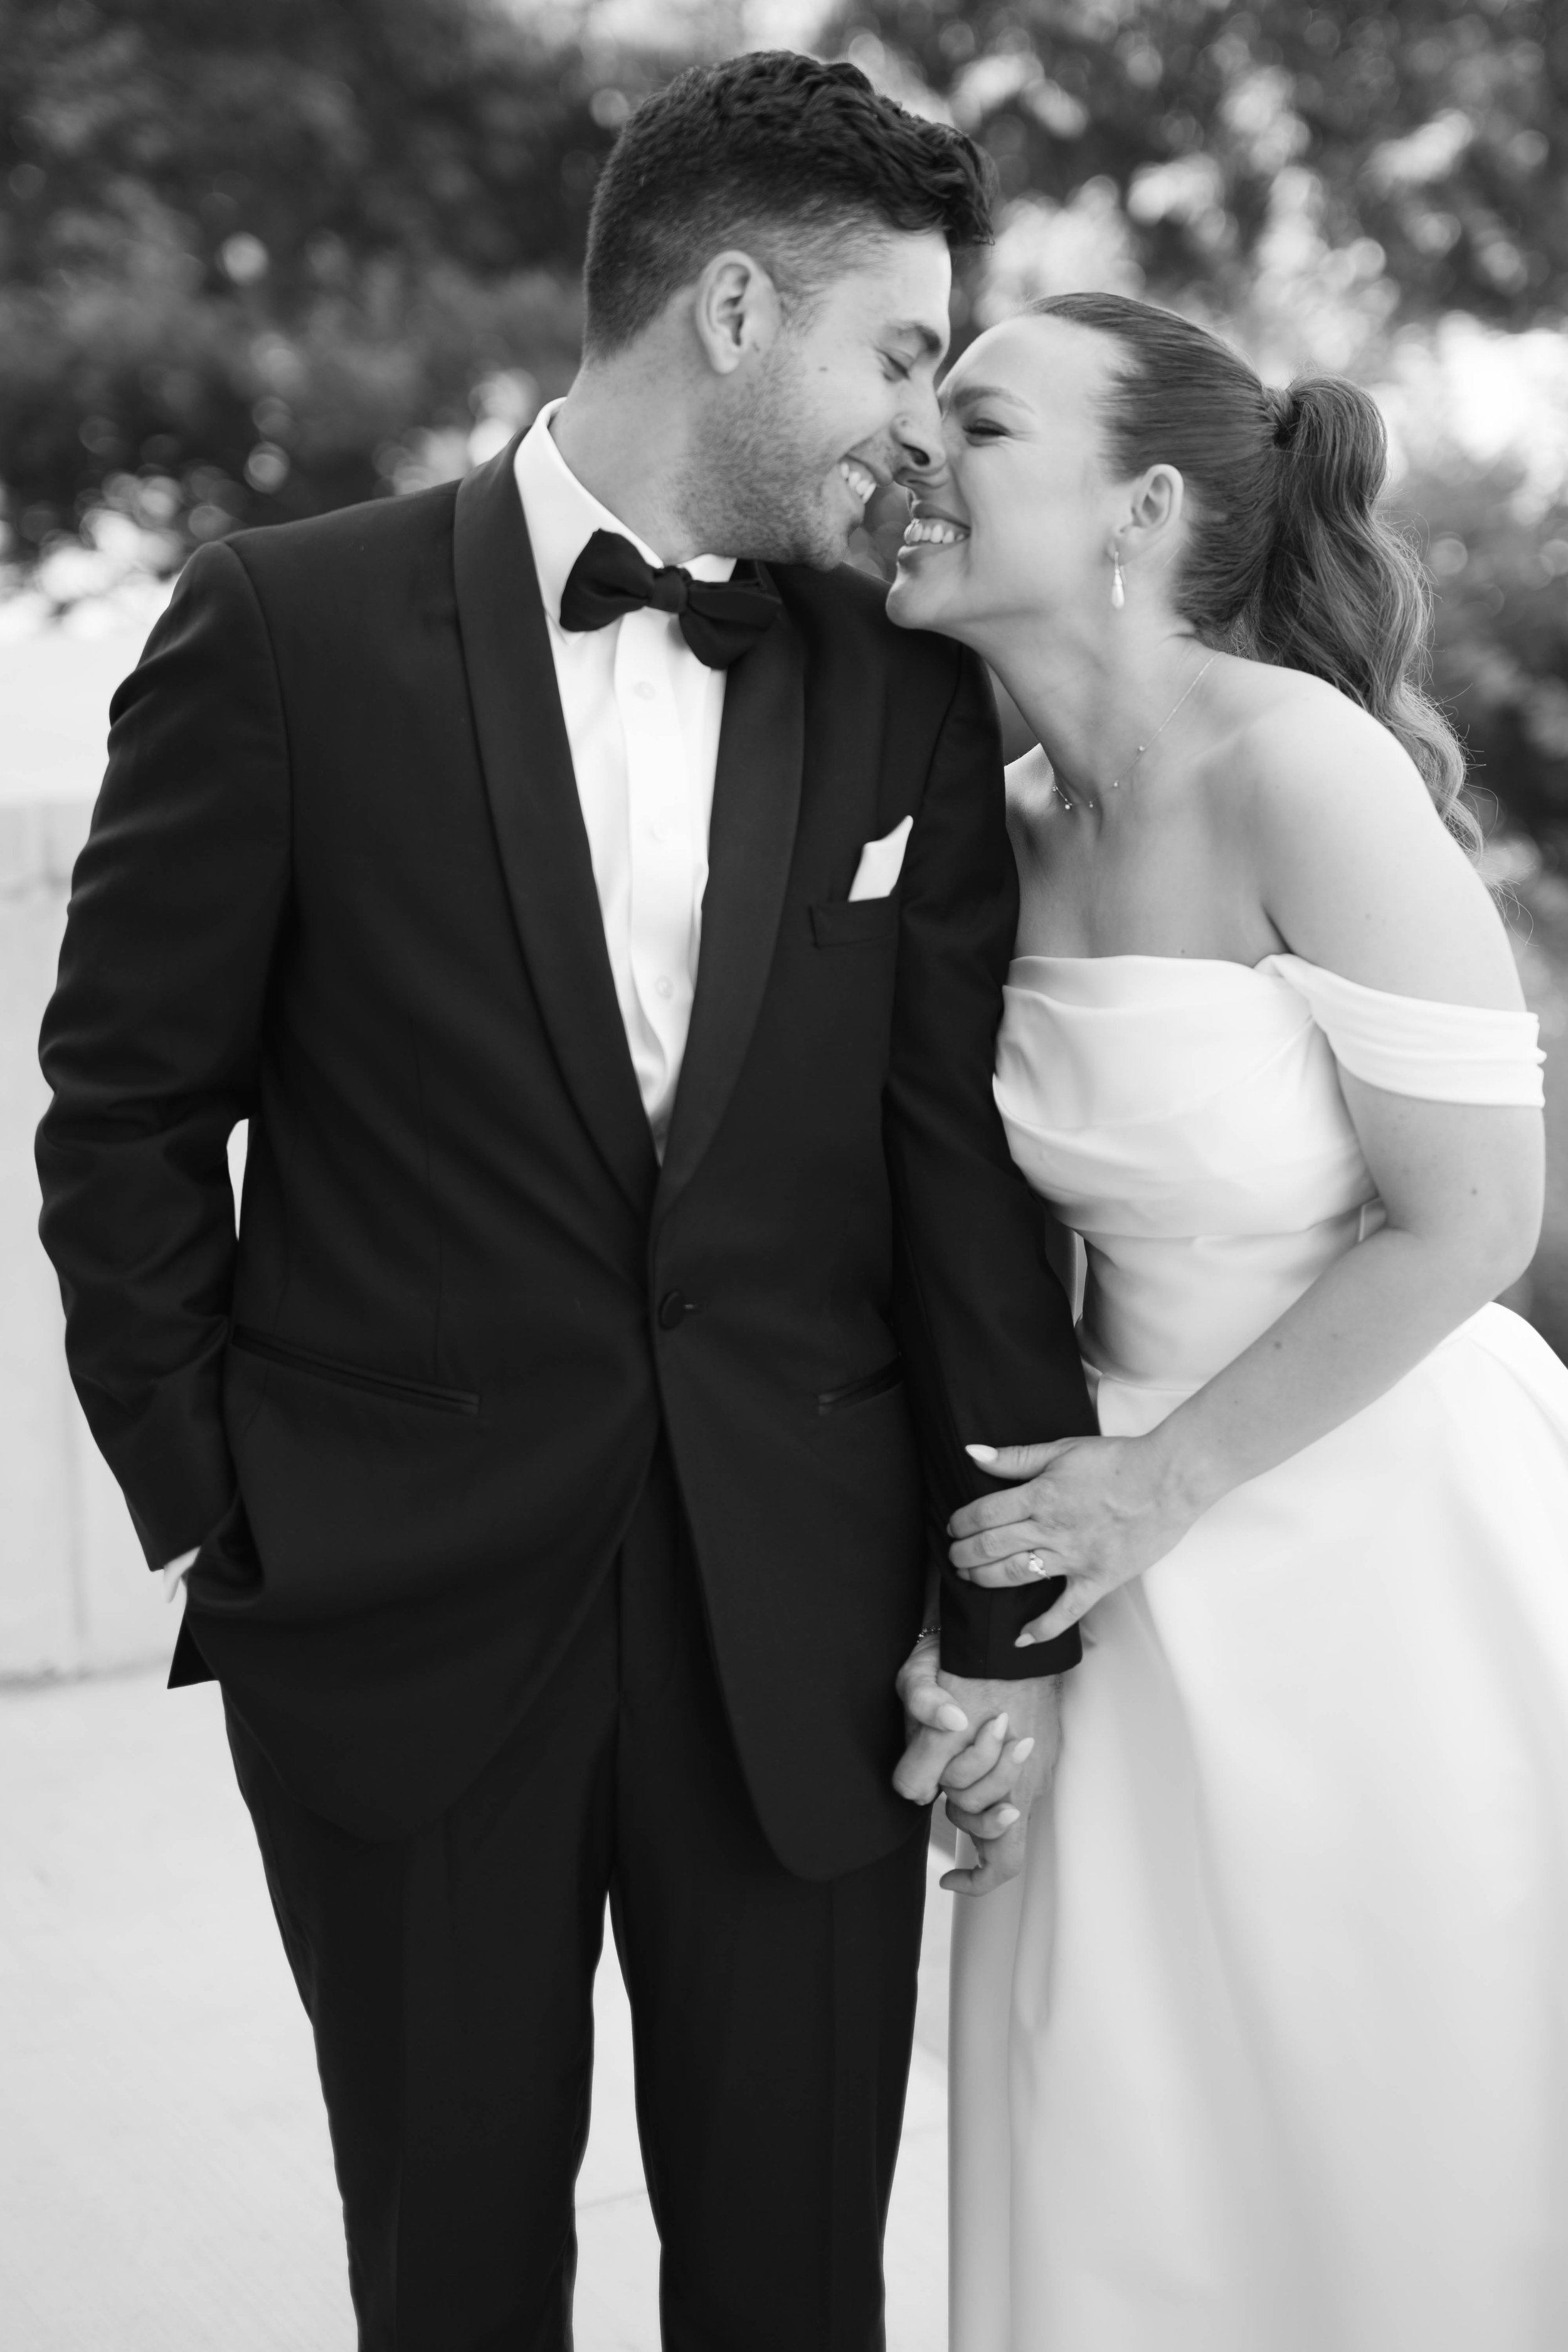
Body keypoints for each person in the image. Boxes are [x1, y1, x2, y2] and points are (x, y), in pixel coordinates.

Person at [33, 56, 1091, 2352]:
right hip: (396, 1633)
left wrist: (1003, 1612)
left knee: (797, 2284)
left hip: (794, 1641)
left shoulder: (902, 691)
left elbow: (950, 1168)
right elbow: (122, 1113)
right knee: (452, 2282)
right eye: (899, 354)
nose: (923, 427)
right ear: (732, 308)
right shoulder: (281, 631)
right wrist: (230, 1518)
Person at [887, 292, 1568, 2349]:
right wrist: (990, 1600)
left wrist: (1143, 1494)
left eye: (980, 418)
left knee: (1402, 2132)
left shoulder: (1303, 769)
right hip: (1126, 1568)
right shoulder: (989, 829)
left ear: (1141, 503)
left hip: (1372, 1537)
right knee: (1132, 2140)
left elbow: (1474, 1218)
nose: (915, 441)